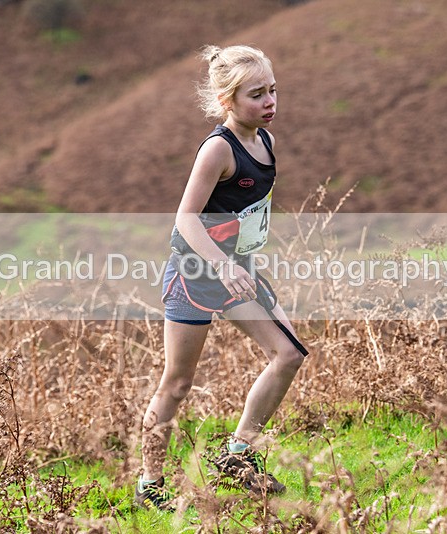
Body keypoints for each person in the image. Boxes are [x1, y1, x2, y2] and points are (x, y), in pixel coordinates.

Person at [135, 44, 308, 511]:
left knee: (288, 354)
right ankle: (150, 482)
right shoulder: (217, 149)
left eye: (273, 90)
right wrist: (224, 263)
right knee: (177, 383)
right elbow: (187, 218)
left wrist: (243, 257)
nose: (270, 101)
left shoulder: (266, 142)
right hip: (195, 272)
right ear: (227, 102)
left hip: (237, 272)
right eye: (256, 94)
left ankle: (238, 456)